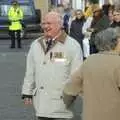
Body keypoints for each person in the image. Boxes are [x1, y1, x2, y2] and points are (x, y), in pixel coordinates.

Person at [21, 11, 83, 120]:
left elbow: (76, 75)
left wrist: (69, 96)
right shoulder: (36, 45)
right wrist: (27, 92)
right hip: (40, 103)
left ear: (60, 25)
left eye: (49, 23)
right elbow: (30, 71)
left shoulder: (73, 46)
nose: (45, 26)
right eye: (43, 23)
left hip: (61, 105)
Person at [63, 27, 120, 120]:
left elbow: (70, 87)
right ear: (115, 43)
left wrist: (66, 104)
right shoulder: (118, 63)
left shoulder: (89, 60)